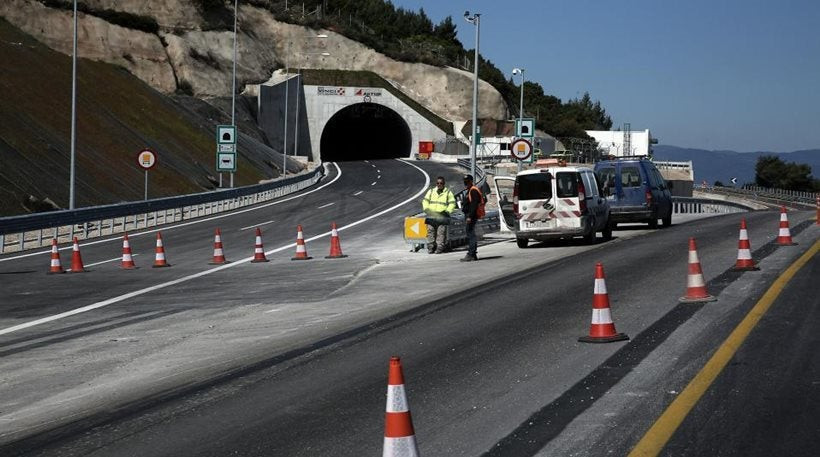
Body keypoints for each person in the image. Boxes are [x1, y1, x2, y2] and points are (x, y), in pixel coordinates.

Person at [421, 176, 456, 254]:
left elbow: (452, 203)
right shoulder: (431, 191)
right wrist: (426, 209)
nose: (439, 184)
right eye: (438, 183)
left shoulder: (448, 192)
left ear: (444, 184)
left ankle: (440, 247)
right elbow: (425, 201)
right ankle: (431, 247)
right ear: (436, 184)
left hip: (442, 216)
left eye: (441, 183)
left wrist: (447, 211)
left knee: (441, 233)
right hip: (431, 215)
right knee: (430, 232)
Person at [460, 174, 482, 262]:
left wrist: (470, 217)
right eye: (465, 182)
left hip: (471, 216)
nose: (466, 183)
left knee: (470, 234)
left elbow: (474, 205)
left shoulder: (473, 190)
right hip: (469, 215)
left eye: (467, 182)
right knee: (470, 234)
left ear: (471, 181)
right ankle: (473, 254)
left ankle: (471, 254)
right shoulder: (469, 190)